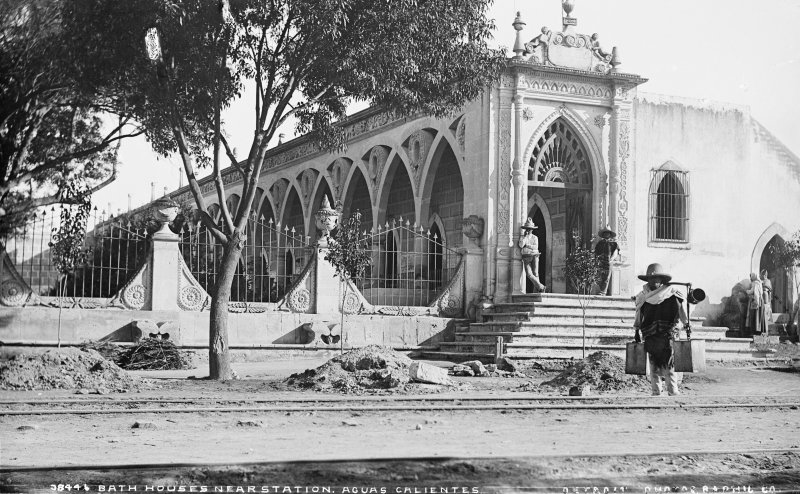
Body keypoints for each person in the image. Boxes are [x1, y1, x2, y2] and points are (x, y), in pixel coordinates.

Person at [633, 263, 689, 396]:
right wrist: (636, 330)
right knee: (654, 364)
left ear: (662, 280)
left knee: (669, 364)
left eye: (657, 279)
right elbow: (639, 315)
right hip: (651, 334)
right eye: (651, 279)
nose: (654, 282)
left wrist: (686, 324)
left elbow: (681, 311)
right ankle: (656, 391)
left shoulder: (672, 294)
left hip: (667, 333)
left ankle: (672, 390)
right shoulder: (642, 296)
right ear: (648, 280)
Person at [518, 217, 546, 292]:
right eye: (527, 229)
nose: (528, 230)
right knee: (529, 274)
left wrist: (527, 245)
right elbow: (521, 245)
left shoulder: (535, 237)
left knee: (536, 273)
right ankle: (541, 286)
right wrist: (525, 238)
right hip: (526, 256)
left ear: (532, 229)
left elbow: (535, 247)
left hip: (535, 255)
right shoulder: (523, 237)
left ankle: (537, 291)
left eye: (530, 229)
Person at [594, 226, 620, 296]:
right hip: (600, 262)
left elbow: (616, 252)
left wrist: (611, 259)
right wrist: (596, 260)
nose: (606, 234)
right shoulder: (600, 243)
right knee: (599, 276)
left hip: (608, 262)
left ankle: (603, 292)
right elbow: (596, 252)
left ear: (610, 234)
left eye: (608, 233)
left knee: (606, 277)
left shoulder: (613, 243)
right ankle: (600, 290)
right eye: (605, 233)